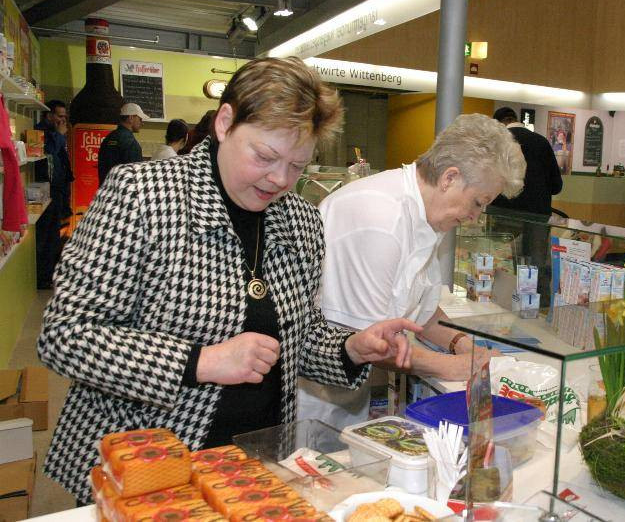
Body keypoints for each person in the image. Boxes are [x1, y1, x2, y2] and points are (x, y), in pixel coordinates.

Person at [37, 57, 420, 504]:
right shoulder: (142, 194)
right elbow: (64, 335)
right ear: (224, 123)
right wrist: (201, 362)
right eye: (265, 156)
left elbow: (297, 334)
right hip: (149, 470)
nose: (280, 179)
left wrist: (351, 348)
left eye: (297, 165)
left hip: (253, 467)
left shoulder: (300, 220)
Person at [297, 113, 526, 429]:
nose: (476, 216)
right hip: (314, 400)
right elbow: (375, 346)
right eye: (477, 202)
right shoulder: (381, 218)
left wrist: (460, 342)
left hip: (349, 395)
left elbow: (420, 309)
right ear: (449, 178)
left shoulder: (426, 214)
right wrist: (456, 366)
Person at [490, 106, 562, 303]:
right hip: (537, 219)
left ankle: (501, 304)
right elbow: (557, 186)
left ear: (498, 124)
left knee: (503, 264)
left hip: (502, 216)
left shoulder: (498, 143)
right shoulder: (542, 142)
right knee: (535, 268)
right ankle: (537, 309)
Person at [34, 100, 73, 289]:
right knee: (46, 237)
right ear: (49, 116)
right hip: (47, 193)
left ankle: (49, 275)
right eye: (59, 116)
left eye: (65, 117)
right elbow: (49, 154)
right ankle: (43, 277)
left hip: (56, 193)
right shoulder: (43, 133)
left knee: (53, 236)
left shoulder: (55, 134)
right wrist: (59, 135)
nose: (63, 120)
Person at [97, 102, 147, 186]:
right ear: (131, 118)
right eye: (140, 119)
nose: (142, 123)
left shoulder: (108, 138)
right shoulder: (130, 142)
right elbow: (135, 174)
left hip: (106, 191)